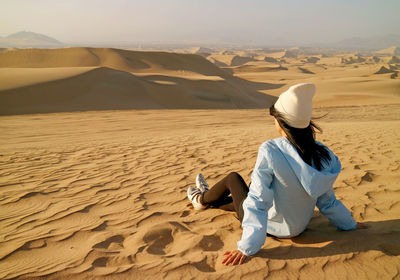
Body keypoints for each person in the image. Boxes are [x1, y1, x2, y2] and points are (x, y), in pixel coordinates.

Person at [187, 83, 367, 266]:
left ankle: (200, 199)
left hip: (271, 226)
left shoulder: (271, 150)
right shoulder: (323, 154)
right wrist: (349, 224)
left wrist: (247, 247)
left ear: (282, 123)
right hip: (298, 227)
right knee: (239, 200)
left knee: (233, 178)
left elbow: (257, 201)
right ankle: (209, 199)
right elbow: (327, 200)